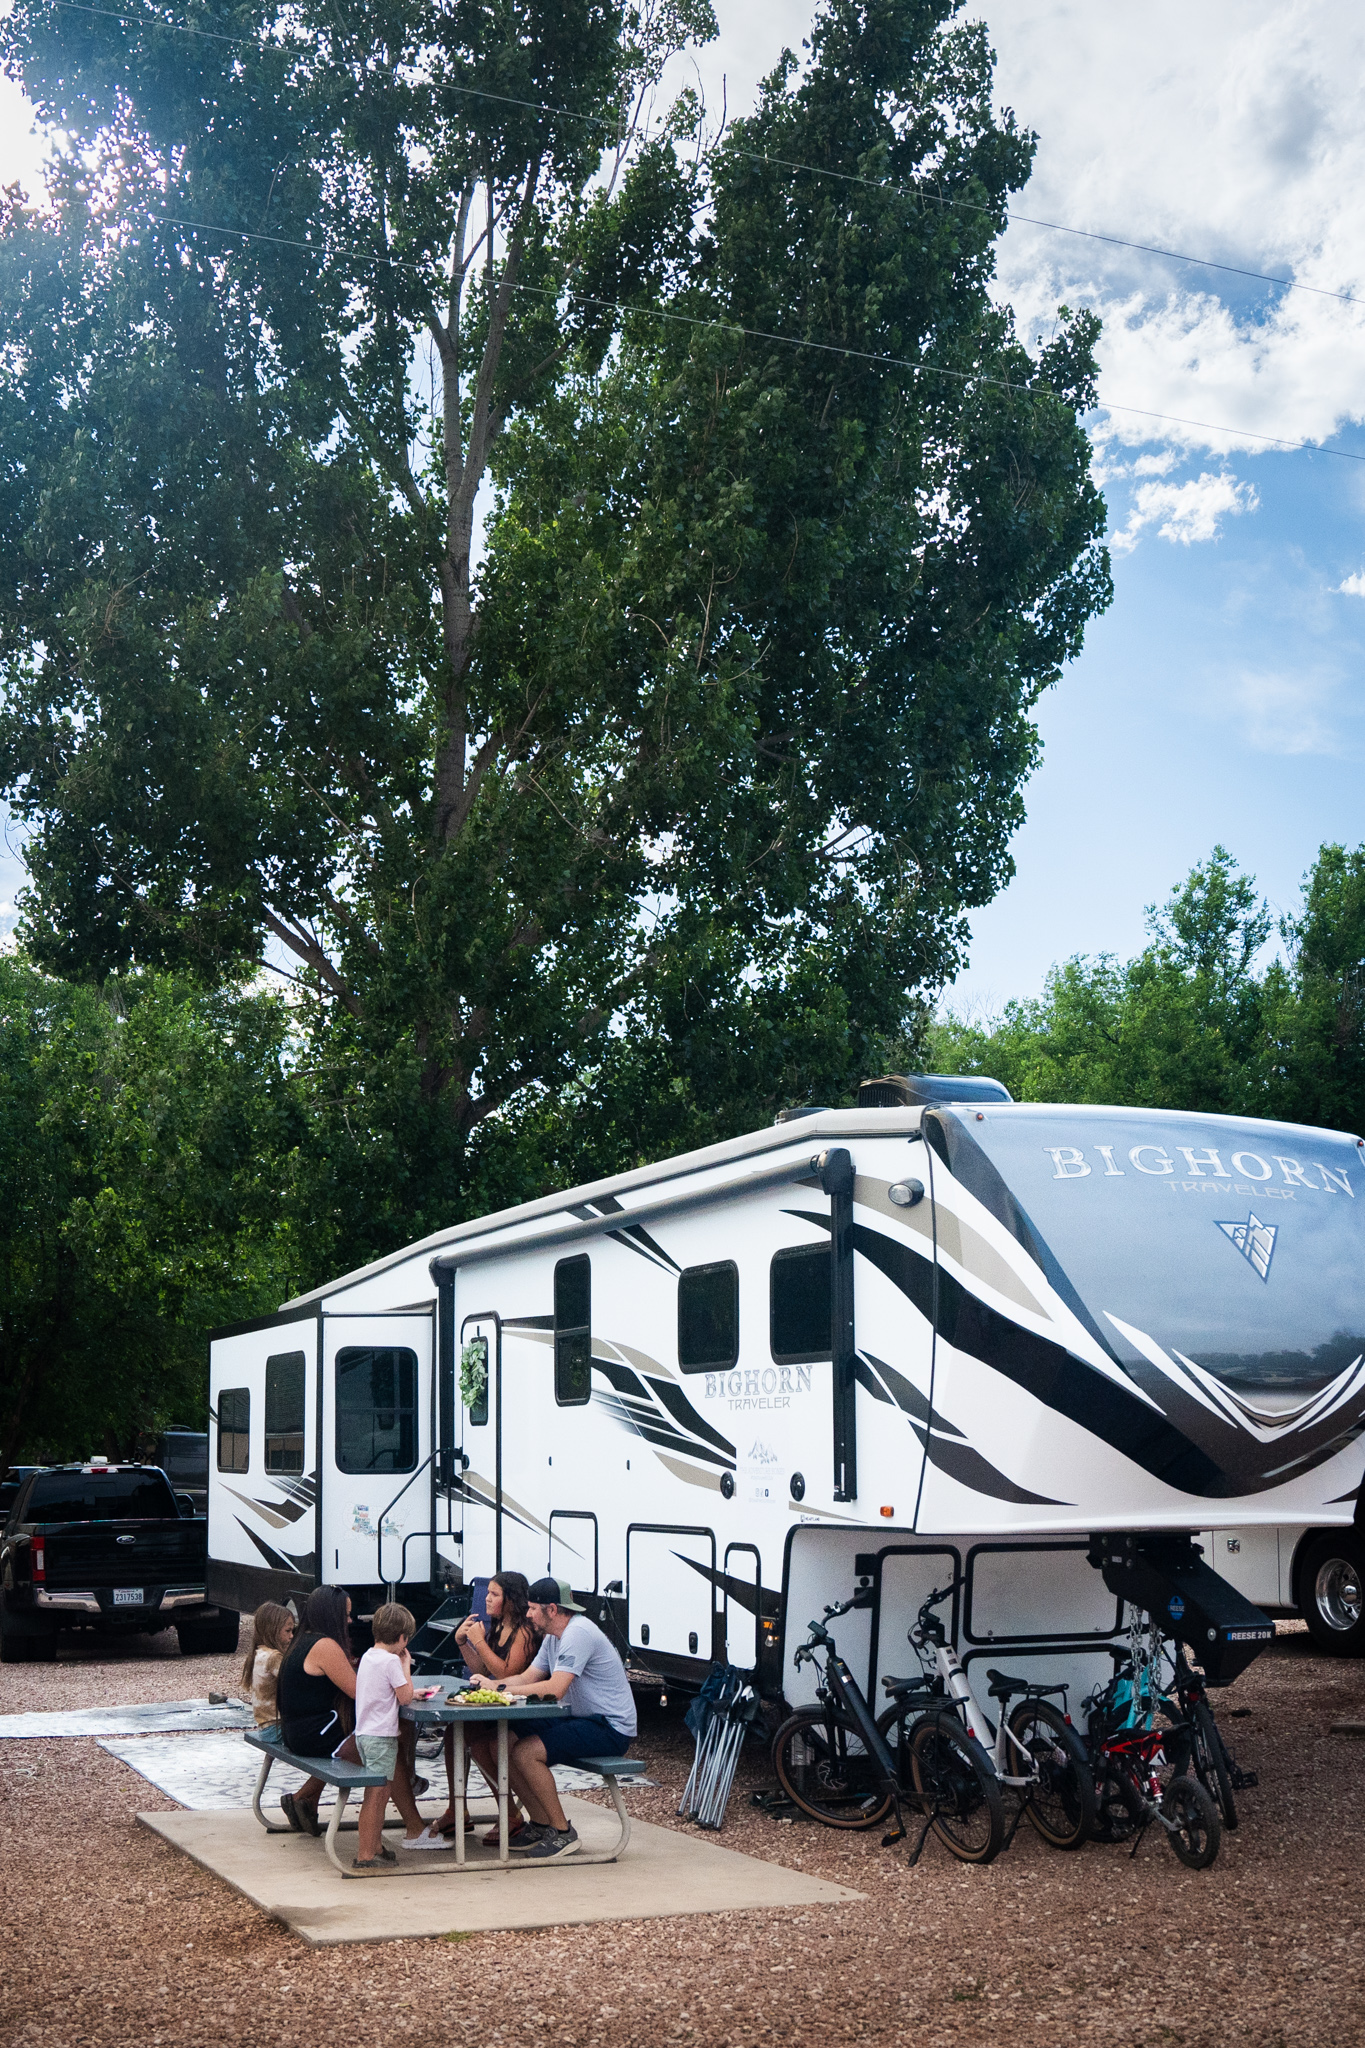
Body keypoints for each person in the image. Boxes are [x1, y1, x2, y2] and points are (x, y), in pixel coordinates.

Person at [491, 1576, 637, 1863]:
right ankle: (541, 1824)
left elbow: (555, 1688)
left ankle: (562, 1832)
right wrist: (493, 1685)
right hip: (582, 1718)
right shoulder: (553, 1637)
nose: (528, 1614)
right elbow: (527, 1677)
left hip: (610, 1727)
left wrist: (501, 1690)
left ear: (552, 1609)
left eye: (533, 1608)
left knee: (526, 1752)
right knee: (503, 1741)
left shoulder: (578, 1633)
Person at [434, 1570, 540, 1841]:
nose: (487, 1600)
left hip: (521, 1710)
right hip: (499, 1706)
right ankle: (457, 1808)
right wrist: (463, 1642)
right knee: (453, 1735)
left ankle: (509, 1813)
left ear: (511, 1600)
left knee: (480, 1742)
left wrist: (479, 1641)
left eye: (495, 1595)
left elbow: (504, 1673)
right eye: (488, 1593)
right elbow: (481, 1667)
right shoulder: (498, 1627)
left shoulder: (524, 1632)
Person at [352, 1602, 449, 1867]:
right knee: (377, 1797)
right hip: (381, 1738)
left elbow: (386, 1691)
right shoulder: (392, 1660)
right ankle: (366, 1855)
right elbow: (405, 1697)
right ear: (403, 1638)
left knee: (375, 1795)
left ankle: (376, 1846)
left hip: (364, 1734)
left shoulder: (369, 1656)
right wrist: (405, 1664)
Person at [274, 1584, 359, 1836]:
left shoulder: (303, 1639)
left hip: (295, 1731)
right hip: (312, 1734)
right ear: (331, 1615)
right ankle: (406, 1786)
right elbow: (360, 1692)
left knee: (367, 1738)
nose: (350, 1620)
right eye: (345, 1615)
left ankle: (306, 1800)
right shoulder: (324, 1646)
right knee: (379, 1743)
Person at [240, 1600, 295, 1727]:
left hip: (265, 1726)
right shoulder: (274, 1657)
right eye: (288, 1631)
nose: (292, 1636)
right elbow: (295, 1683)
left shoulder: (259, 1652)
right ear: (273, 1630)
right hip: (276, 1726)